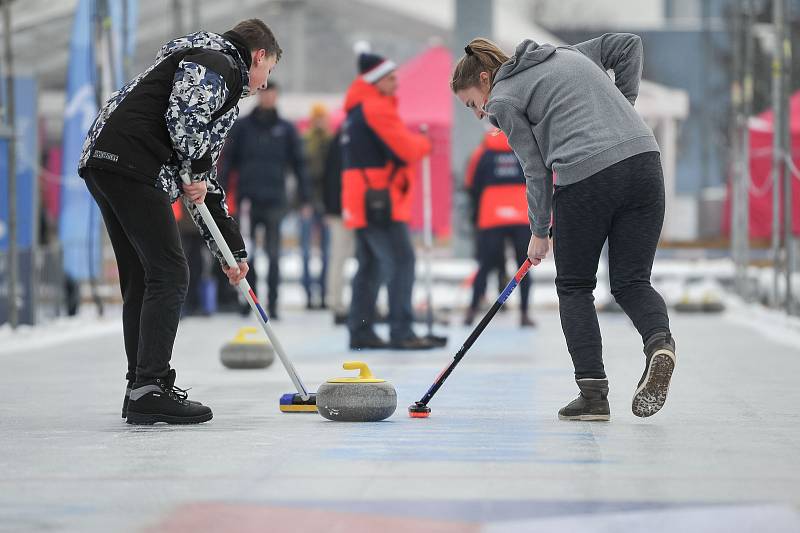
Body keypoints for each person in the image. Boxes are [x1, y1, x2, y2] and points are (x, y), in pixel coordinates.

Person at [450, 34, 676, 421]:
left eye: (472, 103)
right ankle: (659, 343)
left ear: (485, 79)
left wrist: (539, 231)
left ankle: (593, 396)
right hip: (643, 161)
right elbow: (628, 45)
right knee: (632, 281)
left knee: (574, 286)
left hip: (586, 176)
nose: (479, 114)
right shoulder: (564, 54)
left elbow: (535, 170)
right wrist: (624, 106)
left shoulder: (503, 99)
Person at [78, 19, 281, 424]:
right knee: (169, 274)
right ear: (258, 56)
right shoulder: (217, 62)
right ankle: (150, 386)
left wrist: (231, 250)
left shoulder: (207, 71)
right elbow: (184, 122)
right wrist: (199, 166)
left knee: (143, 277)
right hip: (133, 163)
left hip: (107, 161)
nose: (264, 82)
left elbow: (204, 183)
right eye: (269, 70)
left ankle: (140, 386)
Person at [341, 49, 437, 350]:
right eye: (390, 77)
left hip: (362, 199)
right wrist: (424, 143)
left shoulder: (357, 109)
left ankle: (362, 330)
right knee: (400, 260)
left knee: (370, 265)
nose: (397, 82)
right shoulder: (375, 107)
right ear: (375, 80)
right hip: (379, 200)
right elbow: (407, 148)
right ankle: (401, 330)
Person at [220, 80, 310, 319]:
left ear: (276, 97)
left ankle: (274, 303)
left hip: (275, 200)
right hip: (248, 199)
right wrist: (219, 191)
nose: (268, 97)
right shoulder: (243, 128)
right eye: (264, 93)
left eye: (272, 94)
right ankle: (248, 300)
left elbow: (299, 165)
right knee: (247, 254)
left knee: (273, 254)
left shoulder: (286, 129)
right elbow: (228, 161)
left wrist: (305, 198)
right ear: (259, 95)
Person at [464, 129, 535, 328]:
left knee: (485, 266)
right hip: (521, 213)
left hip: (491, 215)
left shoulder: (483, 151)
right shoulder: (524, 149)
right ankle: (524, 314)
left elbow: (471, 183)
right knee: (524, 266)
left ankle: (471, 311)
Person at [300, 103, 333, 309]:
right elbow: (301, 175)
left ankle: (322, 292)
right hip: (308, 202)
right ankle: (309, 294)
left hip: (326, 203)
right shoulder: (305, 141)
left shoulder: (331, 141)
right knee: (305, 251)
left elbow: (333, 177)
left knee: (326, 252)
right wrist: (304, 202)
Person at [322, 126, 354, 325]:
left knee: (341, 258)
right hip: (343, 208)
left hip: (352, 206)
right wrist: (332, 208)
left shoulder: (343, 134)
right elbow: (331, 174)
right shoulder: (343, 135)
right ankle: (336, 302)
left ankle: (340, 301)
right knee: (339, 257)